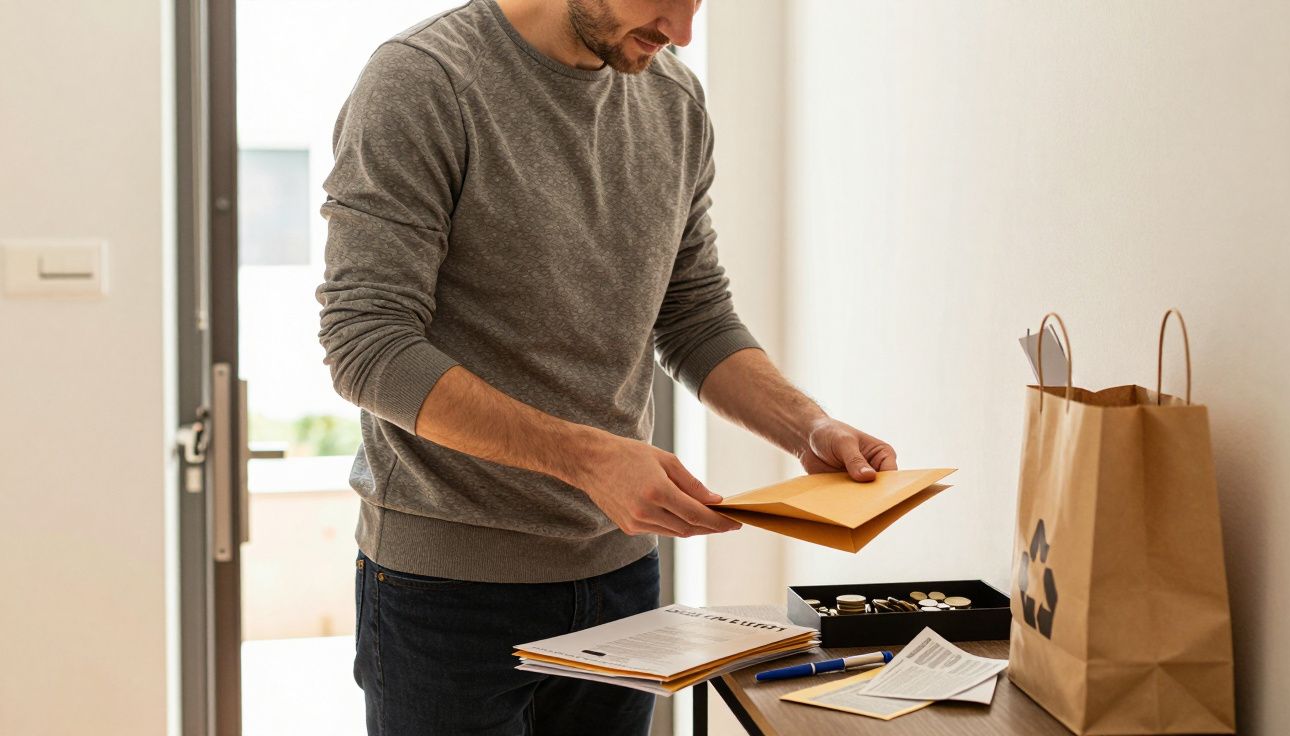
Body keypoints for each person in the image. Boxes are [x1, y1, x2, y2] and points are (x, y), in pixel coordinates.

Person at [315, 0, 897, 733]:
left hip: (622, 581)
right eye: (665, 1)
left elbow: (693, 314)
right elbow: (366, 343)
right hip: (445, 589)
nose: (681, 32)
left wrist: (805, 426)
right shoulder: (424, 80)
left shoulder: (674, 97)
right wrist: (587, 459)